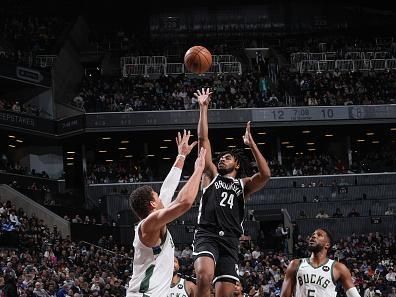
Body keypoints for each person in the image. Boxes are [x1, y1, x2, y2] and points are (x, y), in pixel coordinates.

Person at [193, 88, 271, 297]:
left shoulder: (242, 184)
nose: (221, 159)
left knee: (225, 294)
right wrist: (203, 109)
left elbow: (265, 175)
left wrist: (251, 144)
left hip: (230, 240)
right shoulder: (210, 175)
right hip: (207, 233)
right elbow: (203, 141)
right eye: (221, 157)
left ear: (237, 163)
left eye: (227, 158)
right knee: (203, 275)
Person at [127, 130, 206, 297]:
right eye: (157, 196)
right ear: (152, 204)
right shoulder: (148, 224)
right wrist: (199, 170)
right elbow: (184, 202)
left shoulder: (155, 221)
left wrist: (182, 156)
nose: (161, 197)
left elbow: (168, 188)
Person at [280, 228, 360, 297]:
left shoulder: (338, 267)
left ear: (327, 245)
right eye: (313, 234)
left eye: (319, 235)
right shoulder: (295, 264)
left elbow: (354, 295)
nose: (313, 236)